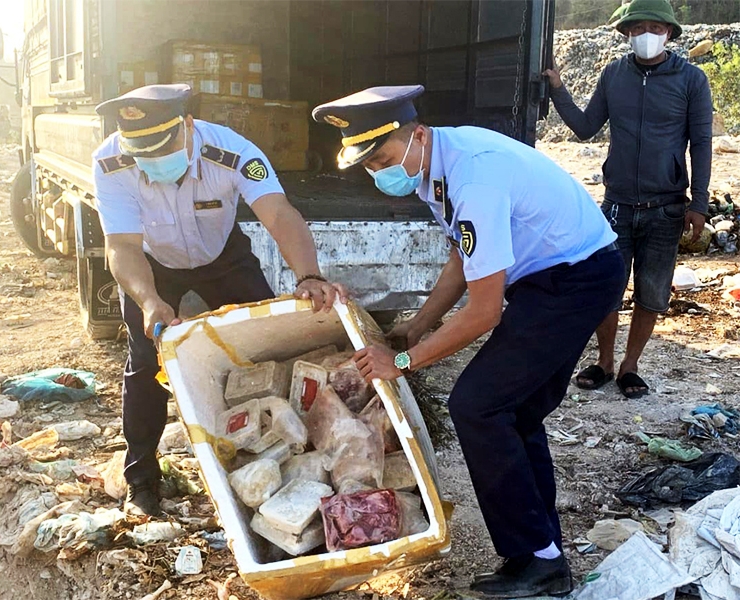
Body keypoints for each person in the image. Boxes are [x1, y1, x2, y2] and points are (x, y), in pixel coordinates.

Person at [313, 86, 623, 598]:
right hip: (554, 276)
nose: (378, 173)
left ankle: (539, 560)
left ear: (416, 134)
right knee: (514, 411)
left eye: (383, 158)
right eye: (367, 166)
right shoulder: (434, 164)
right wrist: (419, 323)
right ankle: (540, 554)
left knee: (478, 406)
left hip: (575, 279)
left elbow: (484, 311)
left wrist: (404, 360)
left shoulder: (473, 176)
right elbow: (465, 255)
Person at [92, 84, 347, 517]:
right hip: (152, 264)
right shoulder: (110, 160)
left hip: (222, 255)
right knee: (145, 363)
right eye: (142, 151)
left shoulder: (231, 152)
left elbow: (279, 214)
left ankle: (293, 460)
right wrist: (149, 298)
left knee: (270, 349)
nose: (151, 158)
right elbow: (121, 246)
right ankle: (142, 481)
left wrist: (308, 275)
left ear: (187, 126)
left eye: (159, 145)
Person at [543, 0, 712, 399]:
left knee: (652, 293)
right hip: (617, 205)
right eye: (636, 29)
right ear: (625, 33)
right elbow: (585, 128)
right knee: (607, 287)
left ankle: (630, 365)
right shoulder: (614, 74)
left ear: (669, 32)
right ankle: (604, 360)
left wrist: (699, 203)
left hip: (667, 207)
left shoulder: (691, 80)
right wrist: (558, 90)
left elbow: (702, 144)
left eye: (654, 27)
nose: (645, 36)